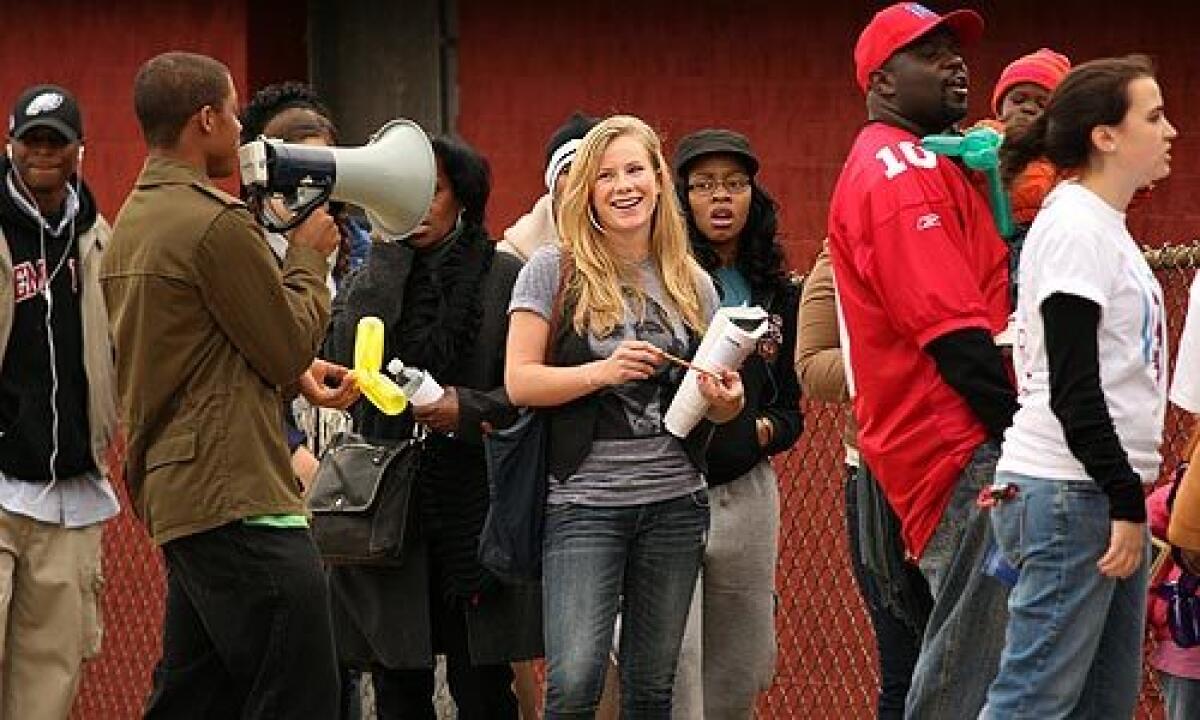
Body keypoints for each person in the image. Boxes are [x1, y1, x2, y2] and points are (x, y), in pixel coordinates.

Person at [100, 51, 347, 717]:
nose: (241, 127)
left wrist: (297, 378)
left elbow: (202, 354)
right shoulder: (215, 222)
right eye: (234, 112)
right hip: (240, 496)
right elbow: (285, 342)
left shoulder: (134, 223)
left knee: (194, 698)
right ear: (205, 119)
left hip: (186, 494)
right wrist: (307, 255)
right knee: (301, 698)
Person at [505, 114, 745, 718]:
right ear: (586, 191)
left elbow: (714, 401)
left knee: (651, 688)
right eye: (606, 176)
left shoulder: (692, 281)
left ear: (659, 180)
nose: (623, 185)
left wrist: (726, 399)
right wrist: (603, 372)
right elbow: (519, 381)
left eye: (635, 169)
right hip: (583, 505)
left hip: (675, 502)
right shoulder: (553, 269)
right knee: (575, 683)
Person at [827, 5, 1016, 718]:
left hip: (958, 442)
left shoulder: (936, 155)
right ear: (881, 80)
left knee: (989, 671)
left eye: (955, 50)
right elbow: (954, 336)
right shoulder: (897, 167)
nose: (956, 63)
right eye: (931, 53)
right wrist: (1022, 432)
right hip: (959, 445)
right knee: (972, 674)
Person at [982, 54, 1175, 717]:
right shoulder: (1074, 226)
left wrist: (1124, 492)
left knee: (1101, 703)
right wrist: (1124, 496)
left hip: (1097, 487)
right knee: (1032, 700)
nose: (1170, 130)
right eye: (1153, 116)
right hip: (1069, 490)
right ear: (1106, 135)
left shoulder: (1102, 226)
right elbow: (1072, 384)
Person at [323, 134, 542, 720]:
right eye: (404, 192)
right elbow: (343, 358)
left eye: (433, 191)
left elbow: (528, 390)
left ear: (462, 198)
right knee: (398, 688)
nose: (417, 205)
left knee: (483, 687)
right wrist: (387, 260)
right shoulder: (373, 272)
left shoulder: (505, 276)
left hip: (476, 508)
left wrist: (464, 410)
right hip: (389, 508)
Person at [669, 128, 802, 718]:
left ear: (753, 195)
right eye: (704, 185)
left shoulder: (776, 290)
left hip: (746, 492)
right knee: (673, 656)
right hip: (670, 483)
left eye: (734, 184)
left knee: (737, 660)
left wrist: (758, 435)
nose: (721, 198)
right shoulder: (664, 280)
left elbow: (791, 407)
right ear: (682, 199)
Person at [0, 83, 118, 720]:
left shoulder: (100, 238)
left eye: (56, 142)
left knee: (47, 692)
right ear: (10, 145)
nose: (42, 153)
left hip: (68, 495)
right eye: (30, 140)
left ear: (80, 152)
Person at [796, 242, 933, 720]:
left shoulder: (977, 236)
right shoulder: (842, 254)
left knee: (975, 657)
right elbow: (812, 366)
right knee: (905, 660)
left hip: (973, 472)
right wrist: (911, 362)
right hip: (881, 481)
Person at [499, 111, 599, 262]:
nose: (579, 180)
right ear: (551, 183)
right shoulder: (508, 261)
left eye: (591, 169)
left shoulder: (638, 252)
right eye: (568, 170)